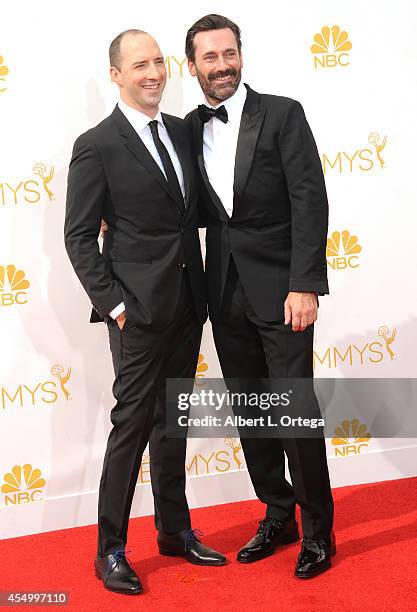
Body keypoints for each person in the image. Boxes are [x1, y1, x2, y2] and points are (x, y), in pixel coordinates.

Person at [64, 29, 226, 596]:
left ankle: (175, 529)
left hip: (188, 303)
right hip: (136, 312)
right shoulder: (97, 144)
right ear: (116, 74)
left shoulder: (181, 130)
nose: (153, 73)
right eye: (140, 65)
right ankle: (110, 547)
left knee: (172, 420)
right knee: (130, 426)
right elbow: (79, 237)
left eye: (158, 62)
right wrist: (115, 307)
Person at [185, 14, 335, 579]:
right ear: (194, 66)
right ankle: (278, 512)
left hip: (284, 293)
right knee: (251, 411)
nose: (221, 65)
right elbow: (188, 205)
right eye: (209, 57)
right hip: (224, 293)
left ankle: (318, 530)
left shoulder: (282, 113)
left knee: (294, 412)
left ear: (240, 55)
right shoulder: (189, 128)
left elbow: (309, 199)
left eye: (229, 53)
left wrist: (305, 284)